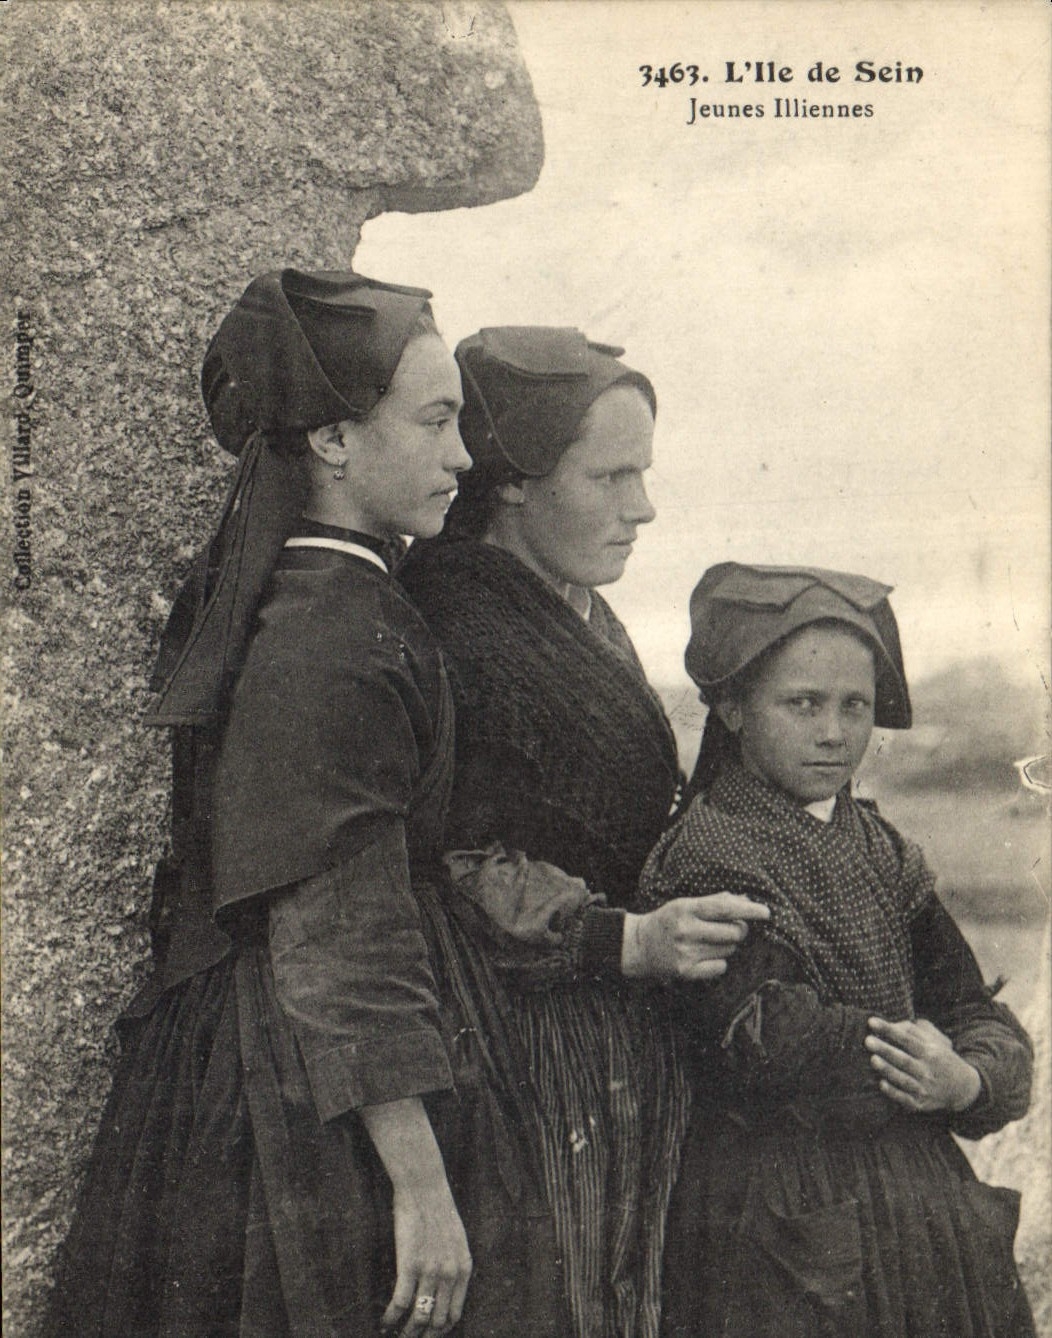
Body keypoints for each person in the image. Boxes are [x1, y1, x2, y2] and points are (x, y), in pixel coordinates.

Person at [45, 269, 545, 1336]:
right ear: (330, 439)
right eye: (436, 421)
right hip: (313, 1087)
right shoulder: (332, 636)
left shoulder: (337, 599)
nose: (463, 457)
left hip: (309, 1055)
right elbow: (337, 932)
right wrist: (421, 1187)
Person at [398, 327, 770, 1338]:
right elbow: (447, 859)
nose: (641, 507)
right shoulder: (451, 623)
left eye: (641, 474)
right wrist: (624, 939)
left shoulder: (574, 611)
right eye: (610, 477)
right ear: (513, 481)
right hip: (517, 1047)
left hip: (606, 1037)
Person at [636, 562, 1035, 1338]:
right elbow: (780, 1047)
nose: (834, 731)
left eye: (855, 705)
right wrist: (922, 1057)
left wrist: (966, 1079)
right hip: (779, 1221)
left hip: (923, 1209)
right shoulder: (709, 859)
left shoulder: (884, 851)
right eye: (803, 704)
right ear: (734, 709)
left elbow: (979, 1015)